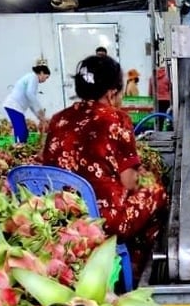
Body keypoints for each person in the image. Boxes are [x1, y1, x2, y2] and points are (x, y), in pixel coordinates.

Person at [42, 54, 169, 278]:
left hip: (59, 217)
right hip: (101, 223)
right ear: (111, 93)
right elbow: (128, 181)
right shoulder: (116, 119)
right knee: (156, 191)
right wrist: (145, 175)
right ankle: (136, 265)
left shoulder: (58, 119)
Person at [3, 60, 50, 143]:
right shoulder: (33, 77)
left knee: (22, 132)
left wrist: (40, 117)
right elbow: (30, 95)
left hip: (16, 107)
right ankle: (18, 149)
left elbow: (31, 102)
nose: (45, 80)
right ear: (42, 72)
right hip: (13, 106)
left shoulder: (32, 80)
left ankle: (19, 147)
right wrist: (40, 110)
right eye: (46, 77)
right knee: (22, 133)